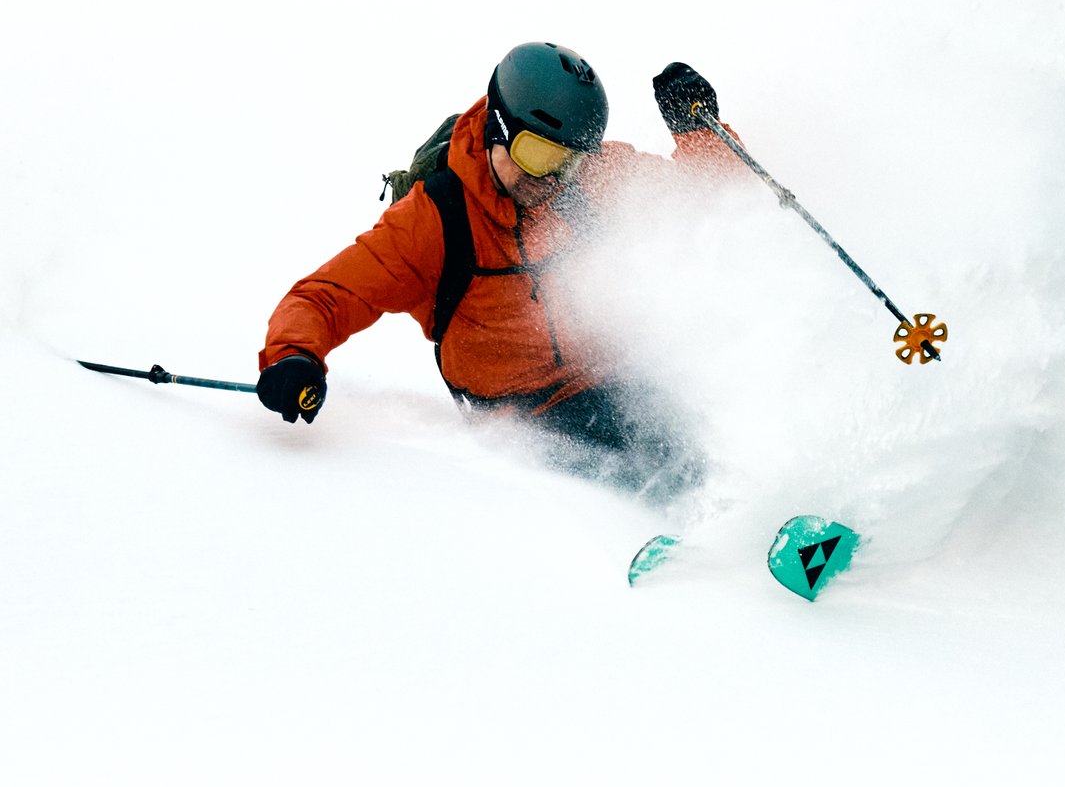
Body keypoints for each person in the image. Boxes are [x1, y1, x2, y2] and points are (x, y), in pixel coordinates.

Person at [255, 43, 740, 496]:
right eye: (538, 155)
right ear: (497, 129)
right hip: (522, 417)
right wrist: (293, 356)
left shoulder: (586, 180)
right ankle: (690, 553)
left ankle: (775, 522)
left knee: (720, 423)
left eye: (570, 161)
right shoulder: (435, 219)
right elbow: (325, 295)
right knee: (657, 470)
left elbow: (696, 191)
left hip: (617, 378)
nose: (551, 178)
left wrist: (697, 130)